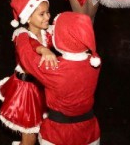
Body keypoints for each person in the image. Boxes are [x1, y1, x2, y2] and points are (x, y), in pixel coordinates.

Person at [17, 12, 101, 145]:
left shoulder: (54, 69)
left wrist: (21, 34)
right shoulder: (95, 62)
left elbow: (26, 57)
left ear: (63, 39)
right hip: (88, 132)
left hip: (58, 134)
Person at [0, 0, 58, 145]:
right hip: (26, 91)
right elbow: (29, 47)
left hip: (42, 87)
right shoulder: (21, 34)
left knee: (44, 131)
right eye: (42, 14)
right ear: (28, 17)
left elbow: (65, 32)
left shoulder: (47, 31)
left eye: (48, 12)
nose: (48, 17)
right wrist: (43, 50)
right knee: (29, 137)